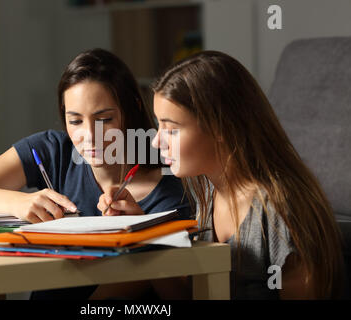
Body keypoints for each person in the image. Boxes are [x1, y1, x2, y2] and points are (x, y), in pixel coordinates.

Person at [0, 48, 191, 299]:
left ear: (133, 108)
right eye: (76, 121)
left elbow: (181, 293)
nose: (90, 136)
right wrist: (19, 202)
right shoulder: (54, 151)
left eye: (104, 119)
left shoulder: (171, 188)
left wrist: (145, 236)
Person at [98, 50, 345, 299]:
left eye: (171, 129)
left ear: (219, 127)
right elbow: (192, 296)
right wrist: (144, 234)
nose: (156, 141)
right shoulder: (208, 193)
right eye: (158, 125)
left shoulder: (281, 209)